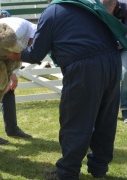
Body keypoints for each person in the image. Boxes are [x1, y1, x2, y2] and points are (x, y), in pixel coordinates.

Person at [7, 0, 121, 179]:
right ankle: (99, 171)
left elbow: (36, 53)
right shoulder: (86, 4)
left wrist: (12, 55)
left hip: (84, 68)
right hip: (112, 62)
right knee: (105, 120)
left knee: (75, 122)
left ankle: (67, 173)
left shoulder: (52, 12)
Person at [0, 12, 33, 145]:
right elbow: (3, 51)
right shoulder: (12, 31)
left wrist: (12, 74)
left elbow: (16, 54)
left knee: (9, 90)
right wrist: (11, 74)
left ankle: (12, 128)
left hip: (3, 62)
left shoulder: (21, 32)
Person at [100, 0, 127, 123]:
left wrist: (119, 43)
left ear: (115, 4)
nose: (107, 14)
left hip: (124, 48)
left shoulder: (126, 9)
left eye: (108, 11)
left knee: (125, 73)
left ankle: (125, 109)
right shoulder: (98, 9)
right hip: (105, 50)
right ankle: (105, 110)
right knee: (105, 77)